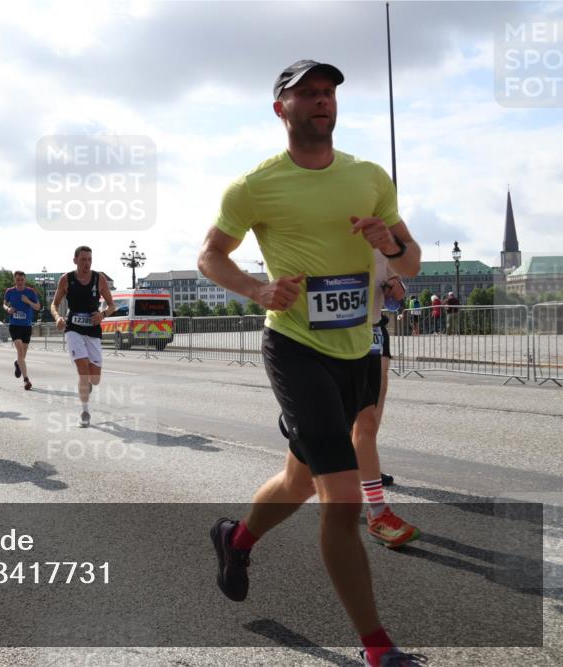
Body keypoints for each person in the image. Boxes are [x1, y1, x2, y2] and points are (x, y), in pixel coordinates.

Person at [197, 61, 424, 667]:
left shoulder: (370, 177)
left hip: (358, 347)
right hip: (295, 347)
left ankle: (236, 539)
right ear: (281, 109)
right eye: (308, 94)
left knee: (299, 479)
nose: (322, 101)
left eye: (328, 93)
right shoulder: (253, 187)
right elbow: (210, 257)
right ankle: (377, 645)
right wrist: (257, 289)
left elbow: (413, 264)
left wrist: (391, 245)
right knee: (341, 495)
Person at [351, 252, 418, 546]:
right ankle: (338, 472)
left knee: (371, 411)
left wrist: (396, 287)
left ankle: (367, 472)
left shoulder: (381, 233)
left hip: (375, 329)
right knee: (342, 417)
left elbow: (397, 290)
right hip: (336, 331)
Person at [50, 246, 115, 427]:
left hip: (93, 329)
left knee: (95, 378)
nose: (87, 263)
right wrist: (57, 317)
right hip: (74, 328)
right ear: (75, 260)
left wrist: (102, 315)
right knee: (82, 370)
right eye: (83, 259)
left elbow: (111, 305)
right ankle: (85, 411)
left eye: (89, 260)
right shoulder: (66, 279)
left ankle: (88, 384)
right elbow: (54, 305)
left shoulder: (98, 279)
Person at [4, 270, 41, 391]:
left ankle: (17, 363)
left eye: (22, 279)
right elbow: (4, 304)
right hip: (14, 325)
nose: (20, 282)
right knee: (20, 350)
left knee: (22, 356)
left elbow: (38, 307)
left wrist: (28, 301)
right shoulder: (10, 291)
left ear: (25, 280)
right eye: (17, 279)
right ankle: (26, 380)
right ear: (14, 280)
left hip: (27, 326)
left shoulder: (30, 292)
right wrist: (8, 309)